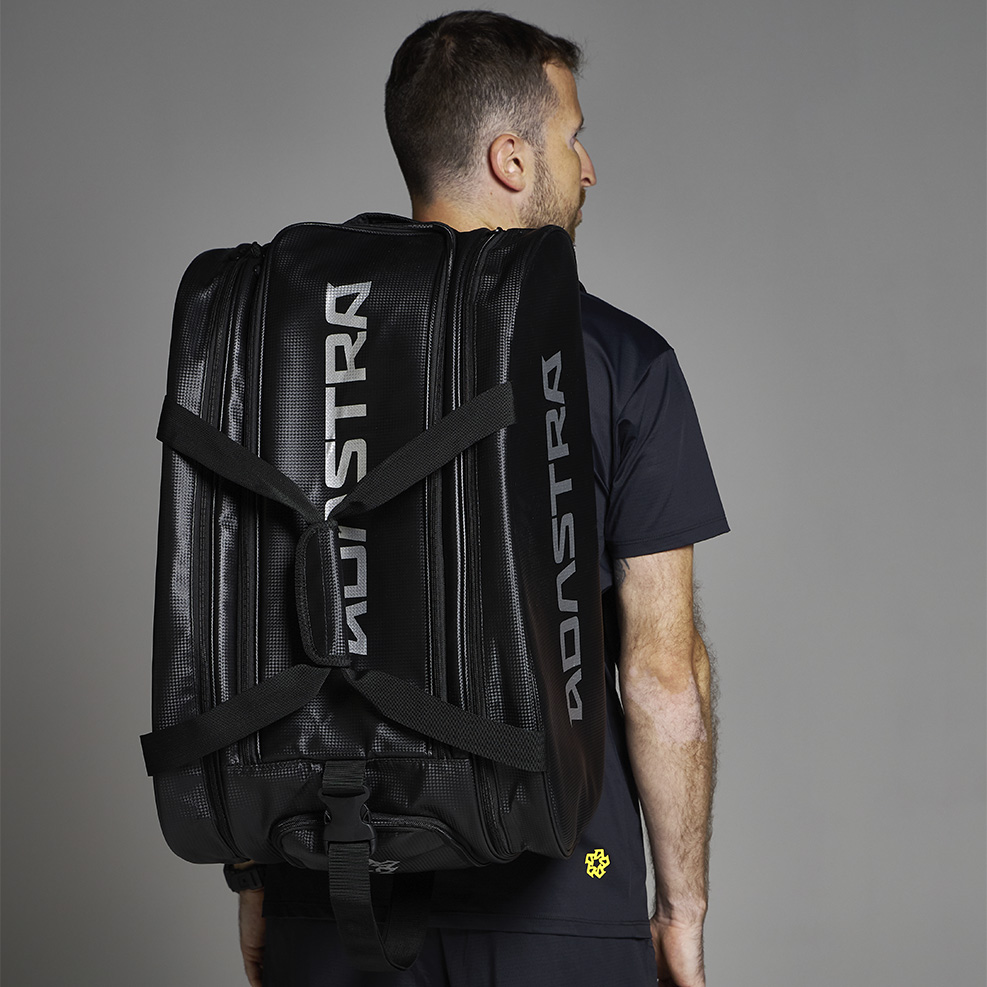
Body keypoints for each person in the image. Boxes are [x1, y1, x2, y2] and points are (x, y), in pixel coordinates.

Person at [234, 11, 728, 986]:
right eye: (572, 138)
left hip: (328, 883)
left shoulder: (286, 354)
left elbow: (248, 634)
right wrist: (681, 906)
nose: (588, 168)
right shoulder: (619, 359)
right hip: (564, 893)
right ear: (510, 158)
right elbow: (663, 678)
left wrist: (259, 883)